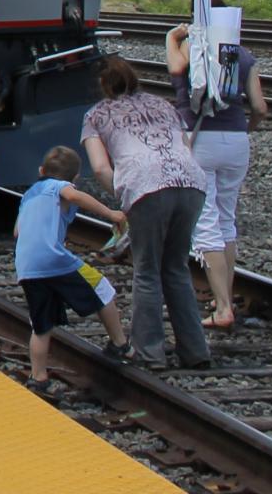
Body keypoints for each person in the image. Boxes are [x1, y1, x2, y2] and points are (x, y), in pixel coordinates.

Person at [84, 56, 214, 369]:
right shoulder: (163, 105)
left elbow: (101, 167)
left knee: (146, 270)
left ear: (103, 85)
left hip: (146, 185)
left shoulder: (96, 115)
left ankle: (149, 352)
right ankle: (195, 352)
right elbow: (185, 146)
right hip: (192, 182)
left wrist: (123, 197)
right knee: (176, 267)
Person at [166, 18, 267, 331]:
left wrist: (172, 38)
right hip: (236, 142)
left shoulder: (188, 47)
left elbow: (175, 71)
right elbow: (260, 108)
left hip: (201, 141)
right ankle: (224, 294)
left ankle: (223, 308)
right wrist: (243, 132)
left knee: (205, 221)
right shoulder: (242, 54)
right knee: (226, 220)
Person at [17, 145, 132, 385]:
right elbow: (72, 196)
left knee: (41, 325)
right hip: (54, 258)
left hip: (27, 268)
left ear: (41, 170)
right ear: (76, 178)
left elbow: (18, 232)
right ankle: (120, 344)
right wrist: (112, 214)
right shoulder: (59, 187)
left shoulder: (28, 195)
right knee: (103, 289)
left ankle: (38, 377)